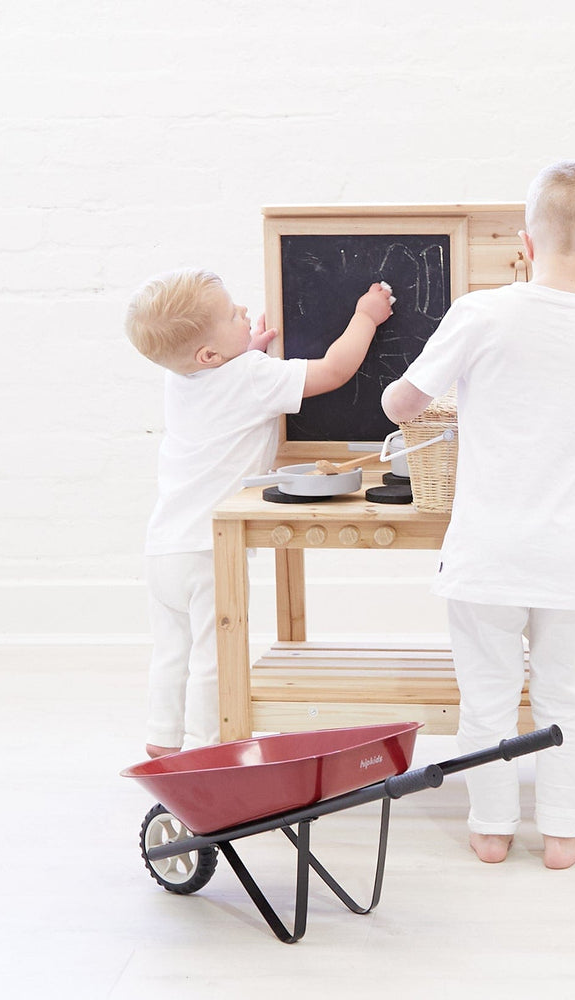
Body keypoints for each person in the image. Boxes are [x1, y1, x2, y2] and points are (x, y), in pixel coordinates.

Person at [381, 161, 575, 869]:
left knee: (488, 695)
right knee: (569, 698)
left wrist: (403, 401)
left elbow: (403, 405)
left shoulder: (480, 312)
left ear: (525, 243)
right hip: (565, 559)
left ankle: (491, 830)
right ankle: (563, 835)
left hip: (484, 555)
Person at [126, 268, 393, 758]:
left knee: (171, 651)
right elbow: (334, 370)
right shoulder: (252, 377)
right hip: (211, 550)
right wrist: (365, 316)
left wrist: (241, 348)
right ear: (209, 354)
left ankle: (162, 737)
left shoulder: (180, 379)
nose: (245, 312)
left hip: (165, 546)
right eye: (232, 314)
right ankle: (208, 748)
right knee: (214, 656)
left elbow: (220, 382)